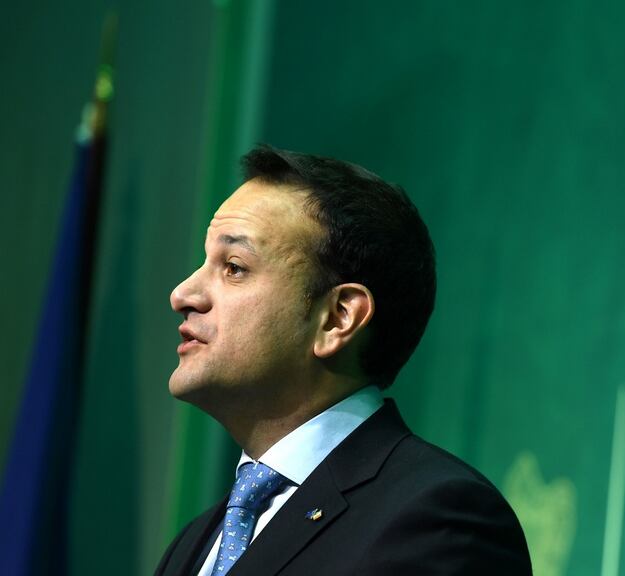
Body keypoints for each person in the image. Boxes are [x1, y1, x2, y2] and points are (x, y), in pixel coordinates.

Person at [154, 146, 531, 575]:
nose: (183, 294)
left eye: (234, 267)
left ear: (338, 317)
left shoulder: (439, 518)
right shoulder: (192, 545)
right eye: (205, 262)